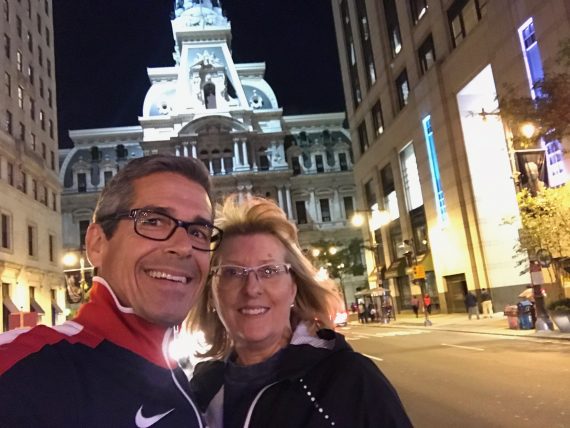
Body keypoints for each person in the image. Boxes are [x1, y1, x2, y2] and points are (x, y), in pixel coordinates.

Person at [0, 155, 221, 427]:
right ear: (97, 244)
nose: (184, 246)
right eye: (153, 221)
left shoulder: (177, 378)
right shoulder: (22, 368)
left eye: (199, 231)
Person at [188, 195, 412, 428]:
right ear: (211, 293)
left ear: (293, 287)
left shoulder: (350, 379)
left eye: (269, 271)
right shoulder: (201, 389)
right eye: (232, 272)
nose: (252, 288)